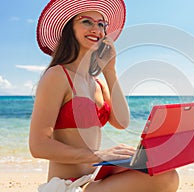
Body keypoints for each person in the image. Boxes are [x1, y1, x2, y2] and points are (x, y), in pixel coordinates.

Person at [29, 0, 179, 191]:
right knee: (164, 179)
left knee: (165, 173)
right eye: (86, 22)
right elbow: (38, 146)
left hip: (93, 181)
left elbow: (122, 122)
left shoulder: (97, 82)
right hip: (68, 185)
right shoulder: (58, 75)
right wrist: (99, 155)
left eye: (101, 25)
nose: (96, 29)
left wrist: (110, 71)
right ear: (69, 29)